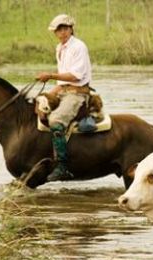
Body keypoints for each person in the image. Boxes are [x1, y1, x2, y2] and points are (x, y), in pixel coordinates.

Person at [36, 14, 92, 181]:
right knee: (37, 104)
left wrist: (50, 75)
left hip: (77, 92)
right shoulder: (59, 48)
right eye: (58, 30)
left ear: (70, 29)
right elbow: (62, 80)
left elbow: (76, 76)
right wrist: (48, 93)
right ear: (55, 33)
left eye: (65, 29)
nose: (62, 32)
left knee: (55, 121)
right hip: (63, 90)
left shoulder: (79, 47)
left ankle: (62, 166)